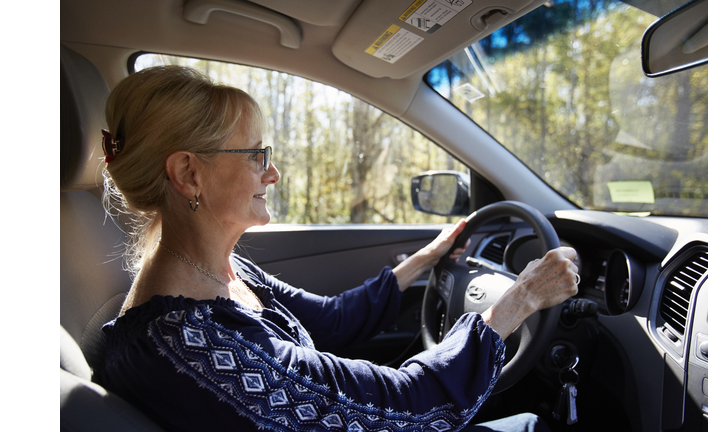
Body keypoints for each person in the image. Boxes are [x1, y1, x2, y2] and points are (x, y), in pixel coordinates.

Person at [94, 65, 579, 432]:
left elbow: (330, 320)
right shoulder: (199, 347)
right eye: (255, 154)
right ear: (188, 174)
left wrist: (426, 258)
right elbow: (410, 405)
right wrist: (521, 299)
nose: (273, 173)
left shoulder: (220, 273)